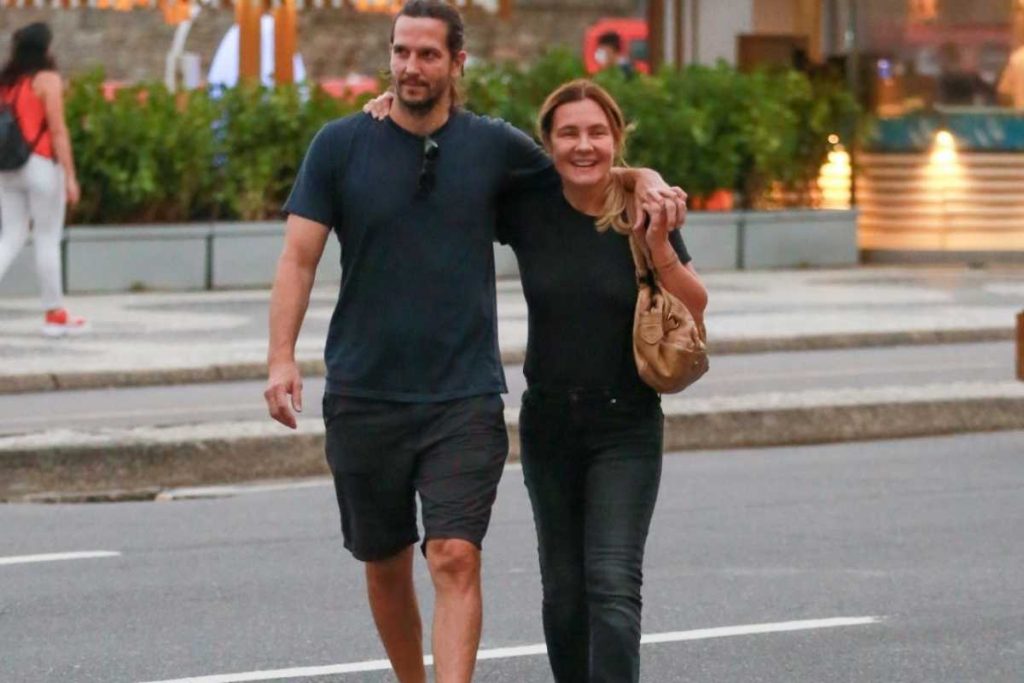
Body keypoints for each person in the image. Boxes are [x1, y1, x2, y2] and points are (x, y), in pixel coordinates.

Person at [263, 3, 685, 682]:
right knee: (385, 561)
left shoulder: (493, 147)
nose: (411, 67)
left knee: (454, 555)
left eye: (429, 55)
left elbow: (582, 170)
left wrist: (646, 179)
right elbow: (297, 259)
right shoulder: (339, 146)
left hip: (464, 397)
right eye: (402, 53)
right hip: (363, 393)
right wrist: (281, 357)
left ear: (458, 63)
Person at [497, 80, 707, 683]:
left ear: (616, 139)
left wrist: (658, 240)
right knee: (564, 592)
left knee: (612, 586)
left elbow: (696, 304)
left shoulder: (644, 207)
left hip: (626, 424)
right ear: (548, 143)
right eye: (568, 133)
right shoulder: (529, 206)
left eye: (597, 133)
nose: (583, 145)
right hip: (549, 424)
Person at [0, 22, 84, 336]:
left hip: (7, 168)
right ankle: (55, 313)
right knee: (47, 238)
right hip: (41, 165)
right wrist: (71, 176)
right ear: (44, 49)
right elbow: (58, 131)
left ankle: (55, 312)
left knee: (9, 237)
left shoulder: (6, 83)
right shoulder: (47, 80)